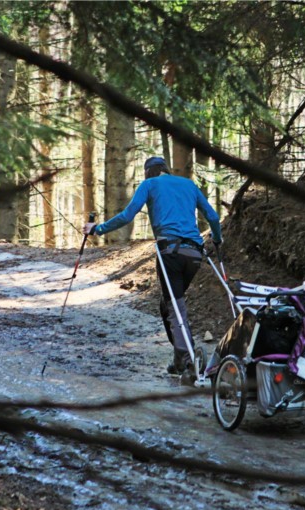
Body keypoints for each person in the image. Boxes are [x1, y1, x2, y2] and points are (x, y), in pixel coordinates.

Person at [84, 156, 223, 385]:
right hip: (195, 254)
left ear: (148, 172)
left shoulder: (149, 185)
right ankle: (180, 358)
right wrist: (217, 239)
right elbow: (214, 217)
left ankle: (188, 361)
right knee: (167, 304)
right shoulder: (189, 184)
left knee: (175, 307)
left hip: (170, 252)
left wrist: (98, 229)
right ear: (166, 170)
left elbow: (127, 216)